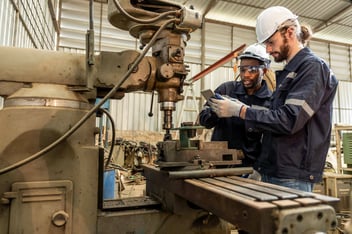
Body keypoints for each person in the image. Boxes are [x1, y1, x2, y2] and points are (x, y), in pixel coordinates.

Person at [209, 6, 338, 192]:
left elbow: (289, 120)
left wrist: (240, 111)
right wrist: (260, 167)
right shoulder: (289, 73)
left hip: (292, 174)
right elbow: (273, 115)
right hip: (274, 169)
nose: (268, 50)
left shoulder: (312, 68)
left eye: (271, 42)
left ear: (290, 32)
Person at [199, 43, 272, 168]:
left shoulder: (269, 101)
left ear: (264, 70)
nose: (246, 75)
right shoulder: (226, 90)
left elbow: (269, 141)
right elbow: (204, 121)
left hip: (248, 167)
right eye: (243, 70)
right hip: (218, 163)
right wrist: (215, 112)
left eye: (252, 70)